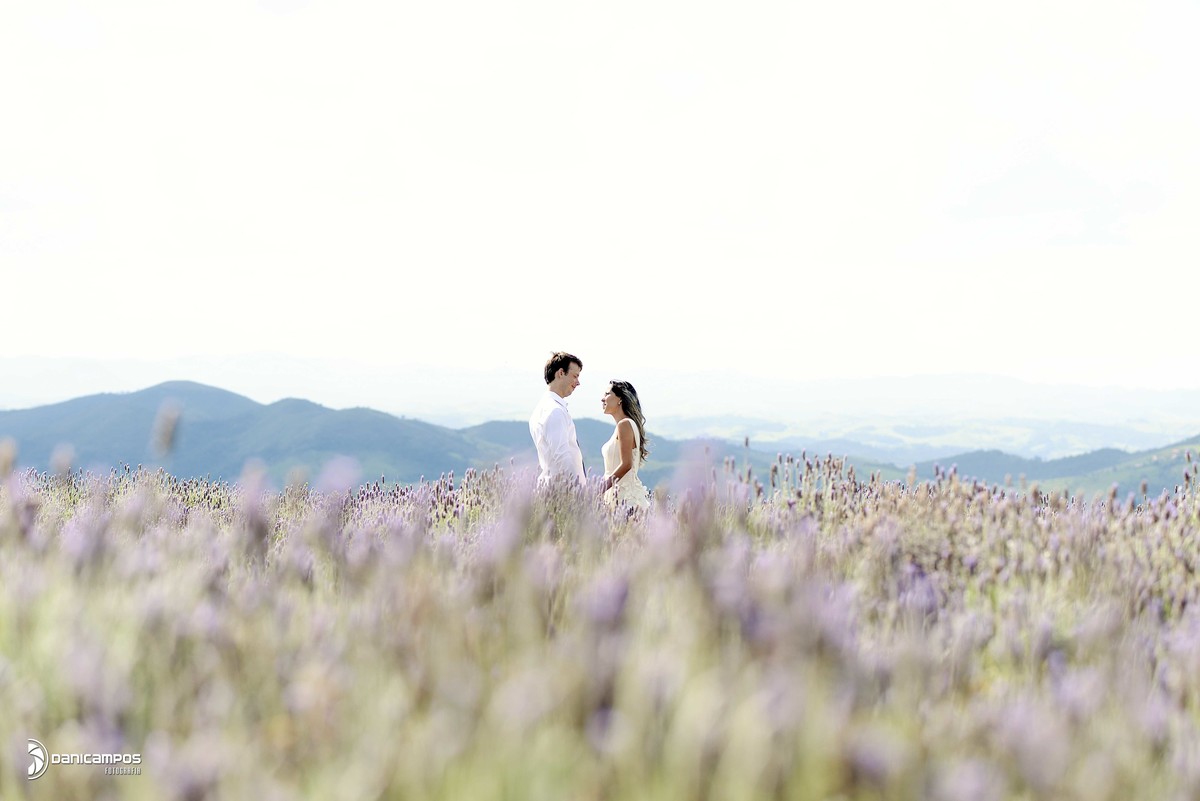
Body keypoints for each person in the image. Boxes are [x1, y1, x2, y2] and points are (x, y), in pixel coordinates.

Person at [529, 352, 586, 487]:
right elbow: (562, 457)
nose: (578, 383)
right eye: (575, 376)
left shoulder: (543, 407)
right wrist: (580, 492)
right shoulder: (555, 411)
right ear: (561, 373)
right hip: (563, 490)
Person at [599, 380, 651, 510]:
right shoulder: (624, 425)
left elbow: (626, 464)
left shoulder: (625, 424)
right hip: (618, 496)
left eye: (607, 394)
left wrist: (599, 490)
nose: (602, 399)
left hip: (625, 500)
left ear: (620, 399)